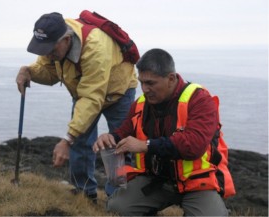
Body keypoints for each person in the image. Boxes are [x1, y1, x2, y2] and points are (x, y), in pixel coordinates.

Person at [93, 48, 236, 216]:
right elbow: (125, 130)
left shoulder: (200, 100)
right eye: (142, 82)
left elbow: (194, 146)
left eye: (151, 83)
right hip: (156, 180)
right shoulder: (140, 104)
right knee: (117, 208)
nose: (144, 89)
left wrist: (146, 145)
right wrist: (111, 137)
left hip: (197, 183)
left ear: (171, 78)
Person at [16, 12, 138, 201]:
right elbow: (49, 73)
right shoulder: (53, 42)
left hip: (118, 92)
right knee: (80, 142)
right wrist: (29, 71)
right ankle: (84, 192)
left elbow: (92, 99)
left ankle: (117, 197)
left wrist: (67, 139)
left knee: (120, 146)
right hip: (84, 91)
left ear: (66, 39)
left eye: (50, 49)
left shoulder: (95, 49)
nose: (47, 54)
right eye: (43, 49)